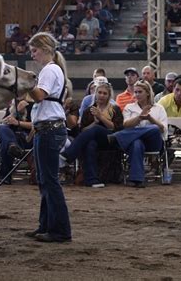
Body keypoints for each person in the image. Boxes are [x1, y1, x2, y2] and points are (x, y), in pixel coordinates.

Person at [26, 32, 71, 243]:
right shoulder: (52, 70)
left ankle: (60, 230)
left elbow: (39, 95)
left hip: (49, 131)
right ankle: (46, 225)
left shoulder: (49, 70)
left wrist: (23, 84)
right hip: (46, 129)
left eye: (34, 51)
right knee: (45, 181)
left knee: (50, 181)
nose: (32, 55)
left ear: (44, 49)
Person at [62, 82, 123, 187]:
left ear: (109, 96)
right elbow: (83, 131)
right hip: (95, 139)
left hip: (110, 138)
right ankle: (92, 180)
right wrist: (94, 122)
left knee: (97, 129)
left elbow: (115, 128)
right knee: (90, 143)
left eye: (105, 93)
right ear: (96, 93)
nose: (102, 95)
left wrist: (101, 118)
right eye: (100, 92)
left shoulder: (115, 109)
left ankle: (69, 154)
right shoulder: (88, 110)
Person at [109, 80, 168, 188]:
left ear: (147, 93)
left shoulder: (159, 108)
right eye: (135, 92)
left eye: (140, 92)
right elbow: (125, 125)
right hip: (134, 142)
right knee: (137, 143)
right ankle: (137, 179)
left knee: (155, 128)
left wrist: (150, 118)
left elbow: (163, 129)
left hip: (154, 142)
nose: (137, 94)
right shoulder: (129, 107)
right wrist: (140, 117)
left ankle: (118, 137)